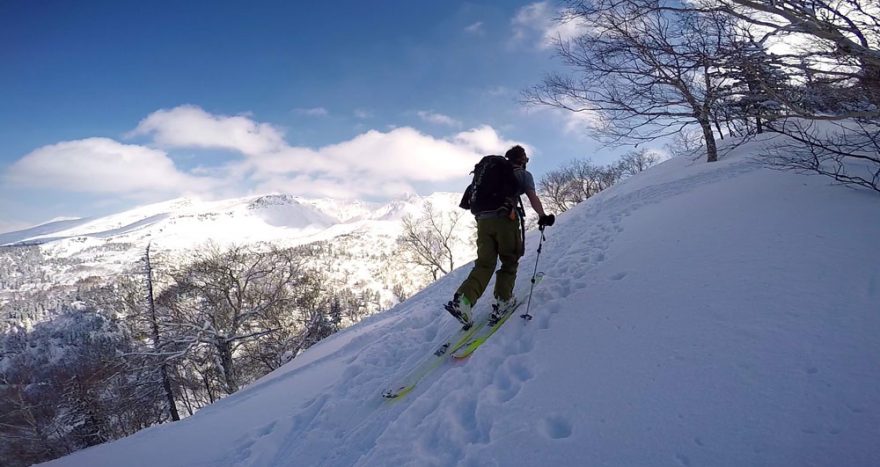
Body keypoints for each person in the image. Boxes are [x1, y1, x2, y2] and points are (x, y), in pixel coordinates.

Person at [446, 145, 555, 327]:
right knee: (509, 259)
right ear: (522, 160)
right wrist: (543, 216)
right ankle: (503, 300)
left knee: (484, 264)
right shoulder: (522, 175)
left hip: (482, 222)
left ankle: (463, 302)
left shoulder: (488, 174)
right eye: (526, 159)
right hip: (505, 219)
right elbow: (532, 197)